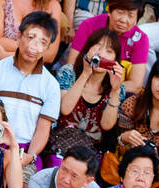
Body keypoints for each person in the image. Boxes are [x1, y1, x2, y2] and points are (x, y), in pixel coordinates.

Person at [0, 11, 60, 167]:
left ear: (47, 47)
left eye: (42, 42)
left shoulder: (51, 84)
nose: (34, 46)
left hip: (25, 149)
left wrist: (30, 156)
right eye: (30, 37)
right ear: (19, 36)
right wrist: (0, 147)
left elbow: (43, 128)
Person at [100, 54, 159, 188]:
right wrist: (125, 138)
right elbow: (120, 147)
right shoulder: (132, 103)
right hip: (125, 171)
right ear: (151, 78)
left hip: (157, 178)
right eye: (158, 77)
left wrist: (150, 162)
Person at [51, 28, 123, 160]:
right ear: (87, 50)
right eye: (98, 48)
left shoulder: (118, 87)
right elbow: (65, 109)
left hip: (91, 156)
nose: (102, 54)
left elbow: (107, 125)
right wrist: (86, 72)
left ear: (116, 59)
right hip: (59, 148)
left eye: (109, 51)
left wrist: (115, 90)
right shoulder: (69, 72)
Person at [64, 0, 147, 96]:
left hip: (113, 91)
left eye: (130, 15)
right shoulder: (89, 25)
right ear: (109, 10)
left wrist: (103, 90)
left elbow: (135, 85)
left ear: (137, 19)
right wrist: (89, 88)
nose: (123, 20)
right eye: (120, 12)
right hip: (82, 83)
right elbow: (71, 65)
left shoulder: (140, 39)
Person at [0, 0, 64, 67]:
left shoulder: (53, 5)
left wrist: (4, 55)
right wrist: (36, 50)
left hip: (31, 72)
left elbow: (50, 55)